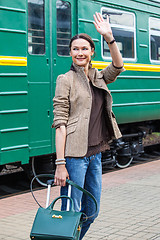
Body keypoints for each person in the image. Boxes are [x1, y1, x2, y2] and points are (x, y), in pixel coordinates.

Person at [52, 12, 125, 239]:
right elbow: (60, 123)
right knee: (70, 212)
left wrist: (109, 37)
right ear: (71, 53)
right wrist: (60, 163)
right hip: (74, 158)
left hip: (95, 156)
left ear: (92, 52)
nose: (80, 53)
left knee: (91, 211)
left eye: (84, 48)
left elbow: (118, 65)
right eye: (75, 49)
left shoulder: (98, 76)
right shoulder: (66, 79)